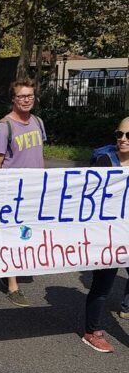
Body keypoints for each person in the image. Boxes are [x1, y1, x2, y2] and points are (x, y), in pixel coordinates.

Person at [0, 79, 46, 307]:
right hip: (13, 191)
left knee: (26, 232)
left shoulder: (38, 122)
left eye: (30, 96)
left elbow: (38, 155)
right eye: (21, 96)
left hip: (35, 190)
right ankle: (12, 284)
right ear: (13, 99)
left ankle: (9, 267)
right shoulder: (5, 127)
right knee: (13, 235)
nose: (26, 100)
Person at [81, 117, 129, 352]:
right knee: (102, 286)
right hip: (108, 235)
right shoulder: (104, 161)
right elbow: (89, 197)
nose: (122, 139)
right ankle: (91, 332)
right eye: (119, 134)